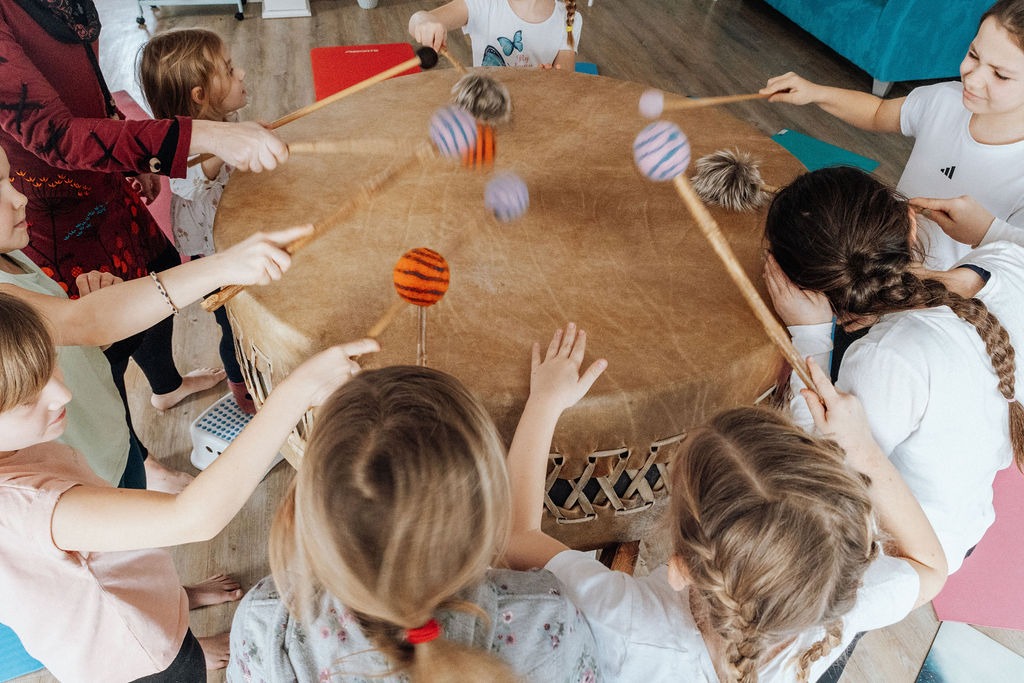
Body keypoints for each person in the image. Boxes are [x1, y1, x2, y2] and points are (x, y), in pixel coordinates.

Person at [504, 324, 946, 682]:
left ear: (680, 569)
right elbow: (930, 567)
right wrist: (864, 447)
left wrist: (544, 402)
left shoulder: (624, 620)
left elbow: (516, 538)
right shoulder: (820, 615)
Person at [0, 290, 377, 681]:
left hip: (114, 598)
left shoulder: (13, 452)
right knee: (184, 665)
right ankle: (186, 648)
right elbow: (193, 517)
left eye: (52, 367)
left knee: (136, 586)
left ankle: (181, 605)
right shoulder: (26, 509)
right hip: (140, 661)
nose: (63, 393)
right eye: (28, 399)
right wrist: (295, 391)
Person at [0, 0, 289, 452]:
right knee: (105, 351)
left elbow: (92, 88)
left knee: (153, 275)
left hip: (105, 184)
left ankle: (166, 385)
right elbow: (56, 135)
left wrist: (138, 154)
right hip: (54, 216)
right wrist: (205, 135)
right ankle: (138, 453)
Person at [226, 364, 601, 682]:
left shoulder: (267, 621)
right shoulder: (545, 616)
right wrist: (544, 407)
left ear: (309, 510)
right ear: (487, 518)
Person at [0, 141, 310, 489]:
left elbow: (72, 335)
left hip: (107, 427)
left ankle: (161, 407)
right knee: (129, 487)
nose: (20, 197)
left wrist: (95, 329)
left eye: (9, 179)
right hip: (87, 468)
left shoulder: (9, 254)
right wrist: (226, 264)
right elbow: (81, 324)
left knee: (129, 460)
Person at [763, 166, 1024, 575]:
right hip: (965, 520)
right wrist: (992, 230)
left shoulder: (886, 359)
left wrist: (810, 335)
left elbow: (820, 473)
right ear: (911, 224)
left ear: (806, 288)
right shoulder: (1010, 263)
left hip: (906, 555)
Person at [760, 0, 1024, 270]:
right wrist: (814, 92)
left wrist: (984, 232)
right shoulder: (943, 99)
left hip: (943, 303)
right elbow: (878, 113)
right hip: (882, 262)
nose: (973, 79)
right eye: (973, 55)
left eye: (1000, 75)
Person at [139, 28, 257, 413]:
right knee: (235, 327)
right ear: (200, 97)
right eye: (229, 69)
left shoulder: (222, 119)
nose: (240, 74)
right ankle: (244, 392)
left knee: (253, 313)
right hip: (212, 257)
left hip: (234, 238)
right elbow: (192, 183)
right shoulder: (181, 149)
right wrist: (228, 146)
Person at [409, 0, 582, 69]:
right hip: (484, 109)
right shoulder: (483, 3)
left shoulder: (570, 19)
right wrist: (425, 23)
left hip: (533, 114)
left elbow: (564, 79)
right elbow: (418, 19)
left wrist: (552, 81)